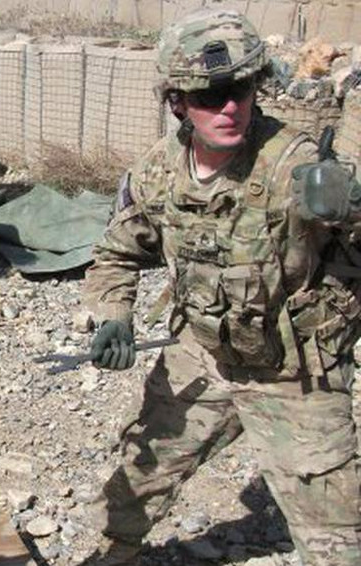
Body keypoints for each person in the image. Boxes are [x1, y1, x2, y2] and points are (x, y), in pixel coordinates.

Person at [82, 8, 361, 566]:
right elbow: (116, 253)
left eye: (240, 90)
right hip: (204, 354)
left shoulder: (296, 166)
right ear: (178, 103)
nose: (229, 107)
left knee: (337, 543)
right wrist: (113, 315)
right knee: (136, 480)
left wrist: (351, 204)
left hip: (294, 371)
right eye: (209, 97)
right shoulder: (158, 172)